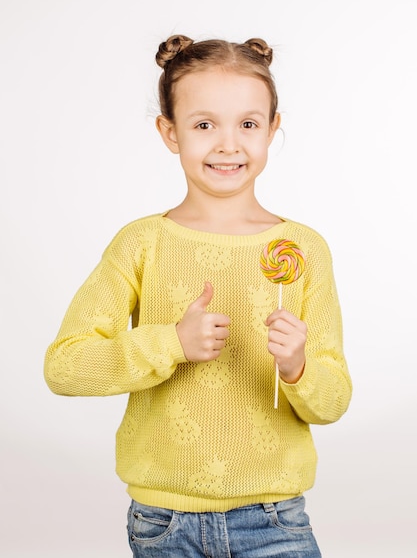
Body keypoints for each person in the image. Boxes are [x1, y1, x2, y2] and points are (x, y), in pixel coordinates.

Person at [44, 34, 352, 557]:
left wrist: (299, 367)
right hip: (164, 523)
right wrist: (169, 343)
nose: (228, 144)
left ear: (273, 129)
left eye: (248, 124)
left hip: (274, 518)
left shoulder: (303, 250)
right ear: (169, 132)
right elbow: (65, 367)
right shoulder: (142, 243)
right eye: (204, 124)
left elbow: (334, 401)